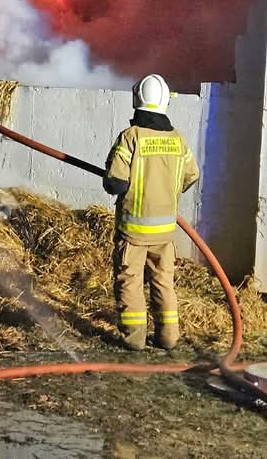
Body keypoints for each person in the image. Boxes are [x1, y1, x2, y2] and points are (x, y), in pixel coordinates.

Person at [103, 74, 200, 351]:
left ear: (137, 101)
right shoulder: (177, 140)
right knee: (163, 281)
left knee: (130, 280)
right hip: (165, 232)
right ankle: (168, 337)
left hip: (133, 230)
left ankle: (134, 339)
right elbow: (192, 175)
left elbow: (115, 182)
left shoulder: (131, 137)